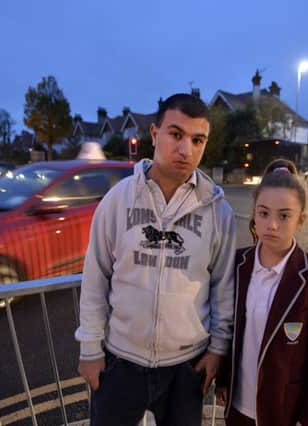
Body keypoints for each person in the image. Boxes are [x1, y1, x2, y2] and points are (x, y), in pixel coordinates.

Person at [75, 93, 236, 426]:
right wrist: (90, 349)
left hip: (186, 366)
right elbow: (95, 277)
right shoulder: (118, 200)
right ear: (154, 134)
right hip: (120, 361)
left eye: (198, 140)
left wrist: (218, 349)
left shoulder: (218, 211)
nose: (186, 149)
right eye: (176, 135)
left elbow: (223, 284)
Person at [216, 159, 308, 426]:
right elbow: (231, 329)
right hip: (237, 408)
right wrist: (223, 379)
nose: (272, 225)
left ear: (300, 220)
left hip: (283, 412)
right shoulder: (238, 264)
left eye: (284, 216)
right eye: (263, 213)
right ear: (253, 214)